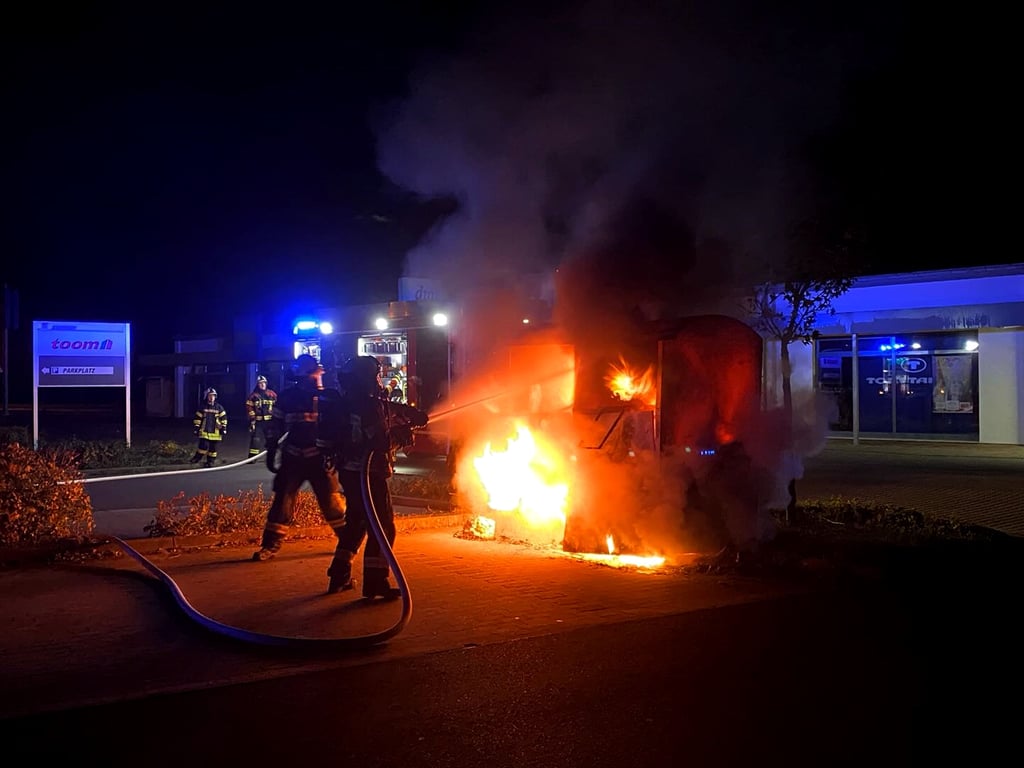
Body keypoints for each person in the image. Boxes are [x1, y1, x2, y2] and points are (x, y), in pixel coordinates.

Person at [322, 355, 428, 599]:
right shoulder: (369, 406)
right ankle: (375, 582)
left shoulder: (347, 401)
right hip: (369, 475)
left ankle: (339, 574)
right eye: (376, 376)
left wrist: (412, 415)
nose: (379, 381)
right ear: (366, 379)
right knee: (383, 528)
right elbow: (380, 443)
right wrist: (403, 436)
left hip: (350, 473)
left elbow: (388, 410)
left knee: (356, 524)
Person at [251, 354, 348, 564]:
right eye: (314, 374)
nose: (318, 378)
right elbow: (275, 425)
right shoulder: (287, 397)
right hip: (293, 456)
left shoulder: (329, 398)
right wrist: (271, 449)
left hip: (321, 459)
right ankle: (270, 546)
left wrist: (337, 454)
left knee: (331, 502)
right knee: (283, 501)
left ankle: (348, 542)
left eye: (318, 374)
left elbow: (340, 429)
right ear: (305, 376)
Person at [190, 388, 228, 467]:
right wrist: (196, 428)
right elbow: (198, 419)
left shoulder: (219, 407)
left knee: (213, 449)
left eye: (213, 396)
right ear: (206, 396)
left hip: (216, 432)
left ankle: (210, 461)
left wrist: (223, 428)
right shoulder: (202, 407)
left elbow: (224, 418)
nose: (211, 397)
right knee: (203, 446)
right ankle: (197, 458)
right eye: (210, 395)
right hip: (204, 431)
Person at [245, 375, 278, 458]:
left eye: (264, 383)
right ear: (257, 385)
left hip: (270, 422)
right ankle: (252, 458)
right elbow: (249, 407)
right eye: (260, 383)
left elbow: (277, 406)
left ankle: (272, 456)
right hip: (258, 421)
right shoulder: (253, 396)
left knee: (271, 439)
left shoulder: (272, 394)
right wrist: (252, 419)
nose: (262, 385)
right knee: (256, 439)